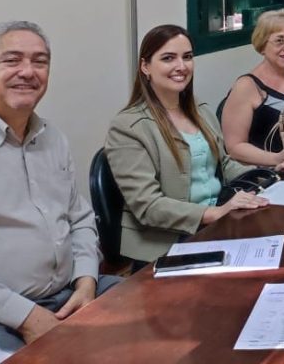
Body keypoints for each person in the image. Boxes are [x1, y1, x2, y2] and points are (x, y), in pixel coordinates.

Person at [0, 21, 119, 363]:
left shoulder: (52, 139)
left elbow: (80, 219)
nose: (28, 71)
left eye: (40, 61)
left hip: (68, 295)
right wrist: (27, 317)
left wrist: (86, 281)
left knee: (160, 317)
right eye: (12, 60)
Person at [105, 24, 270, 265]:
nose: (181, 67)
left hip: (216, 226)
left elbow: (223, 165)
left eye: (188, 57)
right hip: (166, 245)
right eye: (168, 58)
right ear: (145, 66)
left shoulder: (199, 110)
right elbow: (149, 206)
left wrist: (268, 178)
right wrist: (213, 214)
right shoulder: (128, 127)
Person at [221, 9, 284, 173]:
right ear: (262, 44)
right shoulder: (247, 86)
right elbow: (234, 147)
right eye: (280, 41)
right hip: (275, 172)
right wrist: (277, 158)